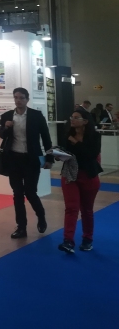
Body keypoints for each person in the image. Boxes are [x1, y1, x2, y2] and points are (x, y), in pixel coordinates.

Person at [0, 87, 53, 239]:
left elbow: (46, 138)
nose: (18, 100)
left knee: (30, 192)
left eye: (21, 97)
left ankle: (41, 216)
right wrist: (6, 127)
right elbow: (2, 135)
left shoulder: (36, 116)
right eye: (16, 97)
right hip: (13, 159)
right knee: (17, 194)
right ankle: (21, 227)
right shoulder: (7, 116)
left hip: (31, 159)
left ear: (27, 99)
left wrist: (49, 158)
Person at [58, 107, 102, 254]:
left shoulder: (94, 136)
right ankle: (68, 240)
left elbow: (91, 155)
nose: (72, 120)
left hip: (88, 175)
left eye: (76, 117)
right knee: (71, 207)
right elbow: (65, 153)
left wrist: (76, 143)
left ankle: (87, 239)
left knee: (87, 209)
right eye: (72, 117)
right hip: (70, 175)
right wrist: (57, 155)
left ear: (85, 121)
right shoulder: (67, 135)